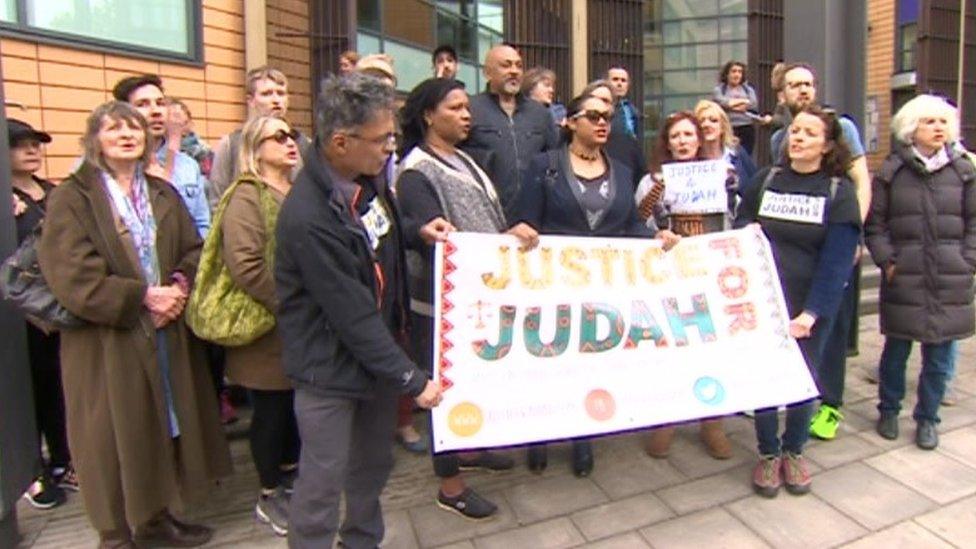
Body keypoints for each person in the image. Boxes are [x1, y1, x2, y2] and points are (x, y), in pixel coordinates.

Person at [37, 101, 232, 548]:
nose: (127, 135)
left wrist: (178, 288)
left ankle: (156, 518)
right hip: (107, 337)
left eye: (135, 128)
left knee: (163, 422)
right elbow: (72, 273)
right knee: (110, 434)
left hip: (166, 329)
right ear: (95, 139)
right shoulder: (73, 196)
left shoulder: (162, 192)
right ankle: (116, 533)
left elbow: (193, 248)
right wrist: (142, 297)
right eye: (114, 128)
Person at [274, 73, 442, 548]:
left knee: (371, 468)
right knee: (322, 482)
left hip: (375, 363)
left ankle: (362, 540)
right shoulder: (308, 217)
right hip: (329, 371)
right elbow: (351, 315)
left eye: (392, 136)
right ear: (340, 142)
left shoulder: (365, 180)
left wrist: (417, 230)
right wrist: (412, 379)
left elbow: (381, 233)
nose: (390, 148)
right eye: (381, 139)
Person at [395, 77, 532, 519]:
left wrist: (507, 235)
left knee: (473, 382)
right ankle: (450, 485)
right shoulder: (417, 170)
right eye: (455, 107)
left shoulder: (464, 161)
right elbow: (427, 231)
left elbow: (483, 224)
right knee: (443, 390)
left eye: (466, 106)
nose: (467, 114)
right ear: (428, 116)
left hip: (476, 297)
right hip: (440, 305)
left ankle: (470, 449)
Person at [514, 93, 651, 477]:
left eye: (607, 116)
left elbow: (631, 226)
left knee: (589, 361)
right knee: (548, 361)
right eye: (593, 115)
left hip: (602, 288)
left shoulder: (622, 171)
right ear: (571, 122)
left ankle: (582, 436)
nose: (603, 122)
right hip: (551, 284)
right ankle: (539, 434)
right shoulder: (545, 166)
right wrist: (520, 231)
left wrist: (656, 240)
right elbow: (525, 220)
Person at [734, 106, 860, 497]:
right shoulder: (766, 179)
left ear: (826, 145)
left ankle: (794, 451)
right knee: (766, 378)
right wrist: (747, 228)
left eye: (808, 133)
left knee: (804, 379)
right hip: (764, 300)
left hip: (811, 305)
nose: (798, 138)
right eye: (795, 131)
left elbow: (838, 260)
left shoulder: (838, 192)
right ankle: (769, 453)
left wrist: (811, 314)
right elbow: (740, 223)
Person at [864, 94, 976, 450]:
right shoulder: (892, 172)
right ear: (912, 129)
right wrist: (888, 262)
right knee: (896, 351)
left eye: (943, 121)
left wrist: (968, 260)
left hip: (950, 278)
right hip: (905, 277)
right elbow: (875, 225)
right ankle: (889, 409)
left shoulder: (964, 171)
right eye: (929, 121)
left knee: (940, 358)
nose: (938, 128)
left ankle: (928, 418)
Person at [772, 62, 871, 442]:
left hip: (836, 239)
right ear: (783, 95)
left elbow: (861, 180)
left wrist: (852, 236)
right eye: (795, 85)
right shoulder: (780, 137)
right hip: (796, 245)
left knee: (829, 328)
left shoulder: (842, 127)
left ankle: (829, 403)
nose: (804, 90)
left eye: (809, 84)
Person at [633, 111, 734, 460]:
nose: (682, 141)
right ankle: (667, 419)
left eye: (688, 135)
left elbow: (735, 218)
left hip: (710, 275)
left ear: (699, 139)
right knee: (671, 347)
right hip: (669, 276)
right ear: (667, 142)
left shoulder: (722, 174)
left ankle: (712, 423)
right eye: (675, 136)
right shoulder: (651, 181)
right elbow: (636, 222)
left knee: (713, 349)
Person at [219, 116, 302, 536]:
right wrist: (293, 303)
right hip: (267, 328)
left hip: (299, 328)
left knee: (292, 409)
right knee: (270, 412)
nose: (291, 142)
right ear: (255, 147)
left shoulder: (298, 190)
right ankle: (269, 493)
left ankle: (290, 479)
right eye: (280, 136)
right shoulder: (247, 196)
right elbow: (246, 265)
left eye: (294, 135)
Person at [8, 119, 76, 510]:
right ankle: (31, 471)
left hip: (54, 308)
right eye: (21, 145)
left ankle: (63, 461)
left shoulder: (52, 193)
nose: (32, 151)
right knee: (24, 393)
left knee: (57, 386)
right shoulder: (8, 197)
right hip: (18, 313)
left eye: (36, 144)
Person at [461, 44, 559, 220]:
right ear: (487, 73)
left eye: (518, 66)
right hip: (485, 217)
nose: (514, 71)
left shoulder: (540, 114)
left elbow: (555, 160)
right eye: (506, 65)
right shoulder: (470, 109)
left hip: (533, 221)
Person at [112, 75, 211, 238]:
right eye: (142, 104)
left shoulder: (187, 165)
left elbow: (202, 223)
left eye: (160, 103)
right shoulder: (105, 165)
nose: (156, 111)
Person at [210, 66, 311, 205]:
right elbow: (217, 202)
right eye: (267, 93)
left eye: (281, 93)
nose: (276, 100)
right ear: (251, 100)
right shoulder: (230, 144)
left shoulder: (302, 143)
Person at [580, 80, 645, 192]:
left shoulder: (629, 145)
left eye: (605, 101)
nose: (600, 106)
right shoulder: (568, 144)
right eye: (595, 100)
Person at [694, 100, 757, 197]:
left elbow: (755, 185)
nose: (706, 125)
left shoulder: (738, 153)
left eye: (713, 120)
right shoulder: (691, 161)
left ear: (723, 127)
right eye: (701, 121)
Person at [711, 61, 761, 155]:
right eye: (734, 71)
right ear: (727, 74)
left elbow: (753, 104)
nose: (737, 74)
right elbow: (723, 102)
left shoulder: (748, 90)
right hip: (728, 128)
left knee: (745, 155)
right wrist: (742, 102)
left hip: (746, 128)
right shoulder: (720, 90)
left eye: (739, 72)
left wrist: (731, 106)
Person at [168, 98, 213, 179]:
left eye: (178, 116)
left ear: (190, 123)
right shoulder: (159, 152)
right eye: (173, 116)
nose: (177, 122)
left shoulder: (203, 151)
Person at [606, 66, 640, 140]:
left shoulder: (632, 111)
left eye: (623, 80)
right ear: (606, 83)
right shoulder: (598, 108)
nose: (619, 84)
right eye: (615, 79)